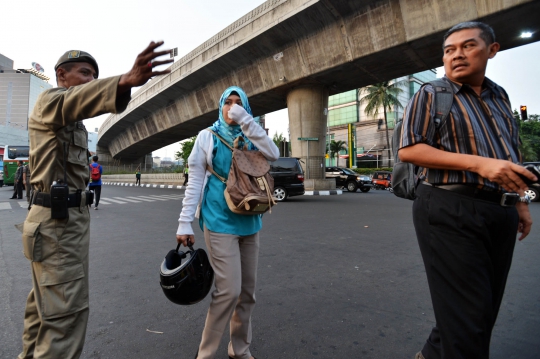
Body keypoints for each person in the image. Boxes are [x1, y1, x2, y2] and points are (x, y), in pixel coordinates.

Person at [18, 42, 172, 359]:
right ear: (61, 75)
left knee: (45, 308)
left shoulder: (70, 120)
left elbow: (80, 102)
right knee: (65, 316)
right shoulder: (49, 100)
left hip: (60, 222)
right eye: (85, 73)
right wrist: (125, 80)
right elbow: (77, 99)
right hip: (57, 224)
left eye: (95, 76)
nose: (90, 80)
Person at [398, 22, 535, 359]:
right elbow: (409, 149)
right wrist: (478, 164)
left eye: (467, 46)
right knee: (467, 323)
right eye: (449, 50)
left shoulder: (500, 96)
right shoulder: (432, 94)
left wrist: (519, 203)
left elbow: (508, 151)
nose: (456, 54)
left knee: (480, 310)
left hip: (499, 210)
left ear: (492, 50)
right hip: (449, 207)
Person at [176, 86, 279, 359]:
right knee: (228, 291)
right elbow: (195, 182)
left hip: (250, 220)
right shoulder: (207, 137)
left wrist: (247, 120)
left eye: (238, 103)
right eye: (227, 103)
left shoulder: (251, 134)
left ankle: (240, 350)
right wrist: (184, 223)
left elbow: (274, 154)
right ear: (220, 107)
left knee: (247, 293)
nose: (232, 107)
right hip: (218, 218)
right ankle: (206, 354)